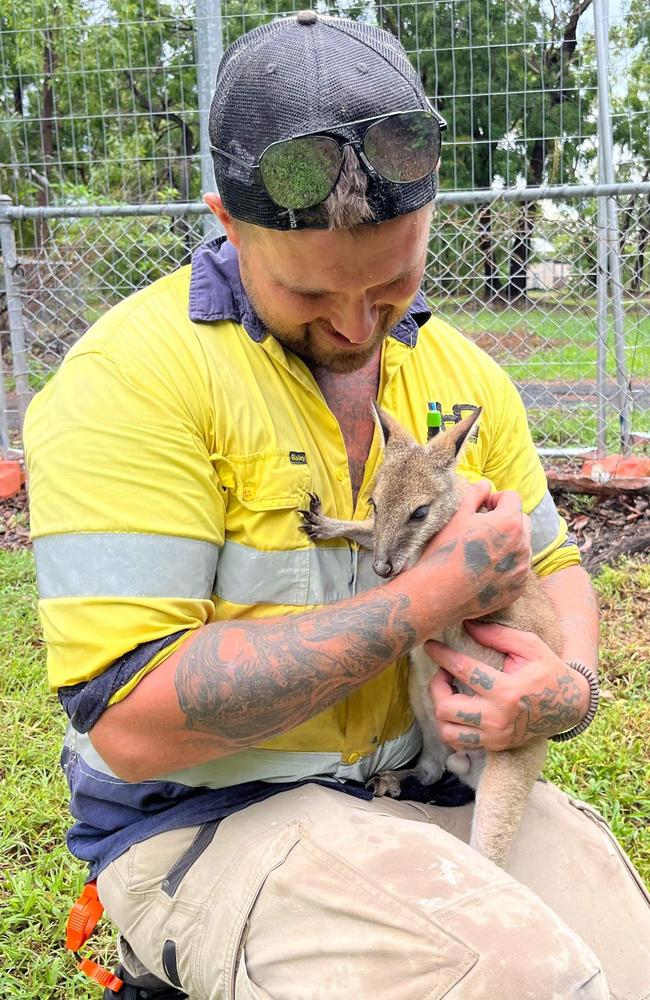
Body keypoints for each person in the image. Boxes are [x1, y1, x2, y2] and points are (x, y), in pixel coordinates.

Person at [25, 12, 649, 1000]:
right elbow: (130, 717)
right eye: (309, 292)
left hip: (426, 785)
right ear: (226, 224)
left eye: (392, 282)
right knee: (520, 980)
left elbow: (557, 565)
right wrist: (421, 598)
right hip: (209, 817)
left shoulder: (459, 374)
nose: (358, 324)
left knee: (627, 966)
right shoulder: (130, 377)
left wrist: (559, 688)